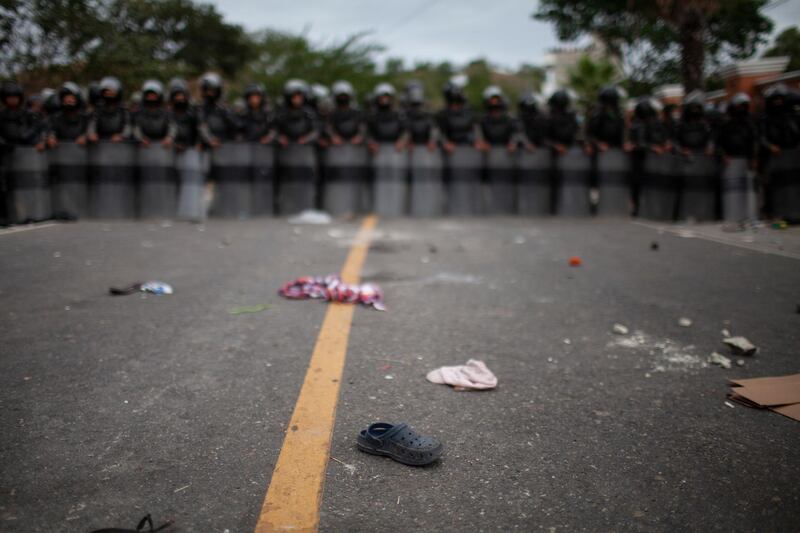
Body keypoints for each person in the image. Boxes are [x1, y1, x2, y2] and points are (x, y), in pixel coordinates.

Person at [437, 77, 483, 214]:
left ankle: (469, 208)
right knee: (450, 182)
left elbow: (475, 129)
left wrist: (478, 141)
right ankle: (449, 208)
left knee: (468, 180)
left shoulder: (469, 112)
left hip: (467, 151)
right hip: (449, 153)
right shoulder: (443, 114)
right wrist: (445, 143)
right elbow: (439, 132)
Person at [47, 82, 92, 219]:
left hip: (81, 159)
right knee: (62, 186)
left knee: (80, 185)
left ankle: (82, 210)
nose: (69, 100)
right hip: (61, 159)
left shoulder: (85, 118)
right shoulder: (56, 118)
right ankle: (62, 210)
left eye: (72, 98)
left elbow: (91, 132)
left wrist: (86, 137)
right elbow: (50, 131)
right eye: (66, 98)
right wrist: (50, 137)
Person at [322, 80, 367, 214]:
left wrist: (359, 137)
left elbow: (362, 128)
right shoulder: (332, 114)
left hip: (354, 152)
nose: (343, 99)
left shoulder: (356, 113)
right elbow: (327, 128)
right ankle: (335, 207)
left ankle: (354, 208)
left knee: (354, 179)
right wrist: (333, 137)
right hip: (336, 152)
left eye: (345, 96)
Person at [134, 79, 177, 219]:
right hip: (145, 151)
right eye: (149, 95)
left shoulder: (166, 113)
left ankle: (163, 209)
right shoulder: (139, 113)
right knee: (145, 181)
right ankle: (145, 211)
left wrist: (169, 138)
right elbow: (135, 128)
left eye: (154, 95)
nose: (151, 97)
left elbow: (172, 128)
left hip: (163, 152)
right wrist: (140, 138)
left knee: (162, 181)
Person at [587, 85, 632, 216]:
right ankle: (596, 204)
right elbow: (590, 134)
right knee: (597, 178)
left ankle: (616, 204)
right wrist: (598, 144)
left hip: (615, 152)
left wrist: (625, 144)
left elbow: (623, 132)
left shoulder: (619, 114)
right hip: (600, 152)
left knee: (616, 179)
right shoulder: (597, 114)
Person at [275, 79, 318, 214]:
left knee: (305, 179)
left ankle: (306, 206)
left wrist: (307, 138)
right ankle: (284, 207)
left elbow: (316, 131)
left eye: (299, 96)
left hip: (304, 153)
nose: (297, 99)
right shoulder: (281, 113)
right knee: (286, 180)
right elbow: (273, 130)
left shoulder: (309, 113)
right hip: (286, 153)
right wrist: (280, 138)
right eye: (294, 96)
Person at [675, 90, 717, 221]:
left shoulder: (705, 124)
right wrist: (682, 150)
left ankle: (702, 212)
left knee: (702, 186)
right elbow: (675, 142)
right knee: (687, 187)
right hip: (687, 160)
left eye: (696, 108)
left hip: (702, 160)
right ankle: (687, 212)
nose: (694, 111)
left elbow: (711, 139)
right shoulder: (681, 125)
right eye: (692, 108)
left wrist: (709, 148)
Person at [759, 83, 800, 220]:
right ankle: (777, 213)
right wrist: (770, 147)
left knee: (793, 185)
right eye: (775, 99)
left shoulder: (792, 116)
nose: (778, 102)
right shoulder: (766, 119)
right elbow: (762, 137)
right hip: (775, 157)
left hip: (792, 155)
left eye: (780, 99)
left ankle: (794, 213)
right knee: (776, 185)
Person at [547, 89, 591, 216]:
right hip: (554, 155)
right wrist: (555, 146)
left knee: (573, 180)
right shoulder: (550, 117)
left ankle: (574, 205)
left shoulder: (572, 116)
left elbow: (577, 134)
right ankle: (554, 207)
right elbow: (545, 137)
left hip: (571, 154)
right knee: (555, 181)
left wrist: (585, 144)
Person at [367, 82, 408, 216]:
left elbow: (406, 131)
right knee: (379, 181)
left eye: (387, 97)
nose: (384, 100)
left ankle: (396, 209)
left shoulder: (398, 114)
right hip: (379, 152)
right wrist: (371, 142)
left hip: (395, 152)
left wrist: (402, 141)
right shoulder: (372, 115)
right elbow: (367, 132)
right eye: (382, 97)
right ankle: (378, 209)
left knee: (395, 180)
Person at [717, 92, 758, 222]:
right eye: (738, 106)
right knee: (732, 188)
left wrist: (753, 158)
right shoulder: (726, 124)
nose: (740, 108)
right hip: (731, 160)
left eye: (743, 105)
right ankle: (733, 214)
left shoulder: (750, 122)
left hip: (746, 159)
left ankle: (749, 215)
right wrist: (723, 154)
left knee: (748, 188)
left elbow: (754, 140)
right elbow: (719, 141)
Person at [404, 82, 443, 216]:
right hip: (409, 152)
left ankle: (427, 208)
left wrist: (432, 141)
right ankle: (409, 208)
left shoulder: (428, 115)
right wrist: (406, 141)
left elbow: (434, 129)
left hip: (425, 152)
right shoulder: (404, 114)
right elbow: (405, 130)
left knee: (425, 180)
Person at [478, 85, 517, 214]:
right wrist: (481, 143)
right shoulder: (483, 120)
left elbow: (515, 135)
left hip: (505, 158)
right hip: (488, 159)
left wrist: (512, 143)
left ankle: (506, 208)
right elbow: (478, 137)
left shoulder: (508, 119)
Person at [516, 91, 551, 215]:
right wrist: (526, 144)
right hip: (524, 158)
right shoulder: (519, 119)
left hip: (541, 156)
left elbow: (545, 135)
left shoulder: (541, 118)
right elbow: (518, 133)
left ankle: (541, 207)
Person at [88, 76, 130, 142]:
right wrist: (92, 134)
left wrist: (121, 135)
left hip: (119, 144)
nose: (109, 93)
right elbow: (92, 123)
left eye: (112, 91)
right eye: (107, 91)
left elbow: (128, 126)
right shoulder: (98, 109)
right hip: (100, 143)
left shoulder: (123, 110)